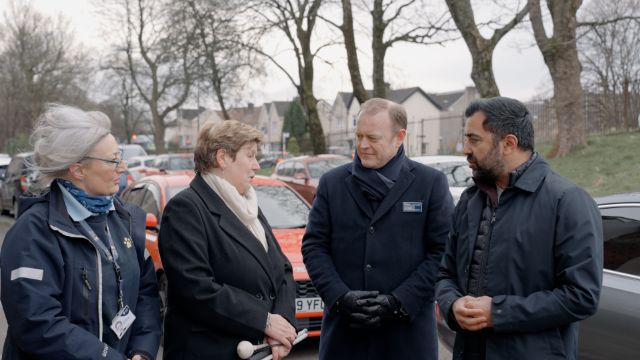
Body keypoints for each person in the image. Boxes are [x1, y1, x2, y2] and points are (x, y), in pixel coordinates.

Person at [436, 97, 603, 360]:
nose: (465, 149)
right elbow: (445, 273)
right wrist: (452, 304)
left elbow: (582, 296)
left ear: (508, 144)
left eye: (474, 139)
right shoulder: (471, 201)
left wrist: (498, 312)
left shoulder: (567, 202)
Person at [0, 104, 161, 360]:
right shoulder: (33, 232)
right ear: (77, 169)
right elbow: (37, 322)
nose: (123, 168)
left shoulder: (125, 219)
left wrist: (142, 350)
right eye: (113, 160)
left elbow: (146, 294)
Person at [301, 98, 454, 359]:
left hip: (407, 337)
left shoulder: (430, 184)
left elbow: (442, 253)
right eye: (359, 135)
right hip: (344, 337)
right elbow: (314, 246)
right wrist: (339, 298)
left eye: (372, 137)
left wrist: (399, 302)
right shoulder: (332, 183)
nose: (362, 145)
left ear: (399, 137)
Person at [159, 120, 297, 360]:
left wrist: (281, 325)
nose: (257, 165)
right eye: (250, 155)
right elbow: (195, 288)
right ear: (222, 158)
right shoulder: (186, 208)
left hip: (258, 349)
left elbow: (282, 269)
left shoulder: (247, 206)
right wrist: (263, 321)